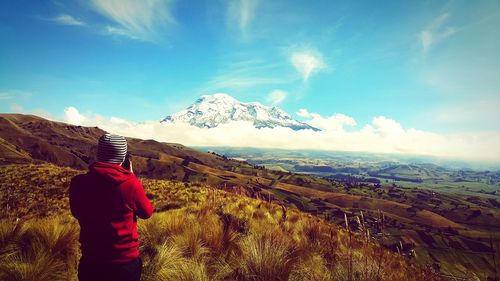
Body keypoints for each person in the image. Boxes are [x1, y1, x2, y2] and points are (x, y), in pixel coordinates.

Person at [70, 133, 153, 281]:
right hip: (124, 264)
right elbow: (147, 212)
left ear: (99, 154)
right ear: (122, 157)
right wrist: (132, 177)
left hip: (91, 261)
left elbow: (76, 213)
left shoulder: (78, 182)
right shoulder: (130, 184)